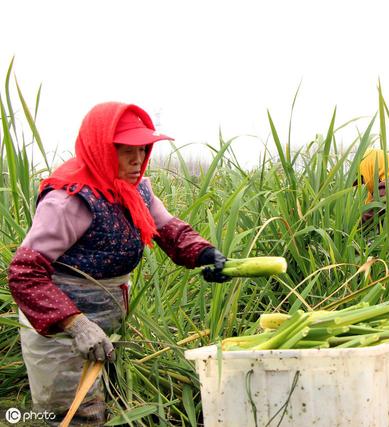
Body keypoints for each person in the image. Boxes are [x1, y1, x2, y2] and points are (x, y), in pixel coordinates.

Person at [8, 102, 231, 425]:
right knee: (77, 415)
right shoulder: (69, 200)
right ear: (100, 148)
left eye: (142, 149)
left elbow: (167, 228)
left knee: (107, 404)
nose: (138, 159)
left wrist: (205, 253)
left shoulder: (135, 188)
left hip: (108, 319)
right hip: (59, 326)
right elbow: (24, 275)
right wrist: (76, 325)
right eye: (126, 150)